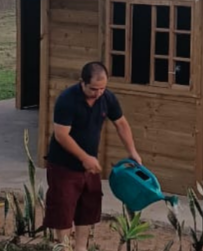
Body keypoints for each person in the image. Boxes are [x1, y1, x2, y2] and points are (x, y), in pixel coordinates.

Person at [43, 61, 141, 251]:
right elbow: (61, 135)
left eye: (102, 89)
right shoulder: (67, 100)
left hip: (90, 167)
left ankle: (81, 248)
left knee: (88, 208)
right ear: (82, 82)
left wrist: (132, 152)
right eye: (93, 89)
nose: (98, 93)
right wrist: (84, 158)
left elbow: (121, 124)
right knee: (63, 209)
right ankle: (63, 247)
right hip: (64, 166)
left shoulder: (107, 98)